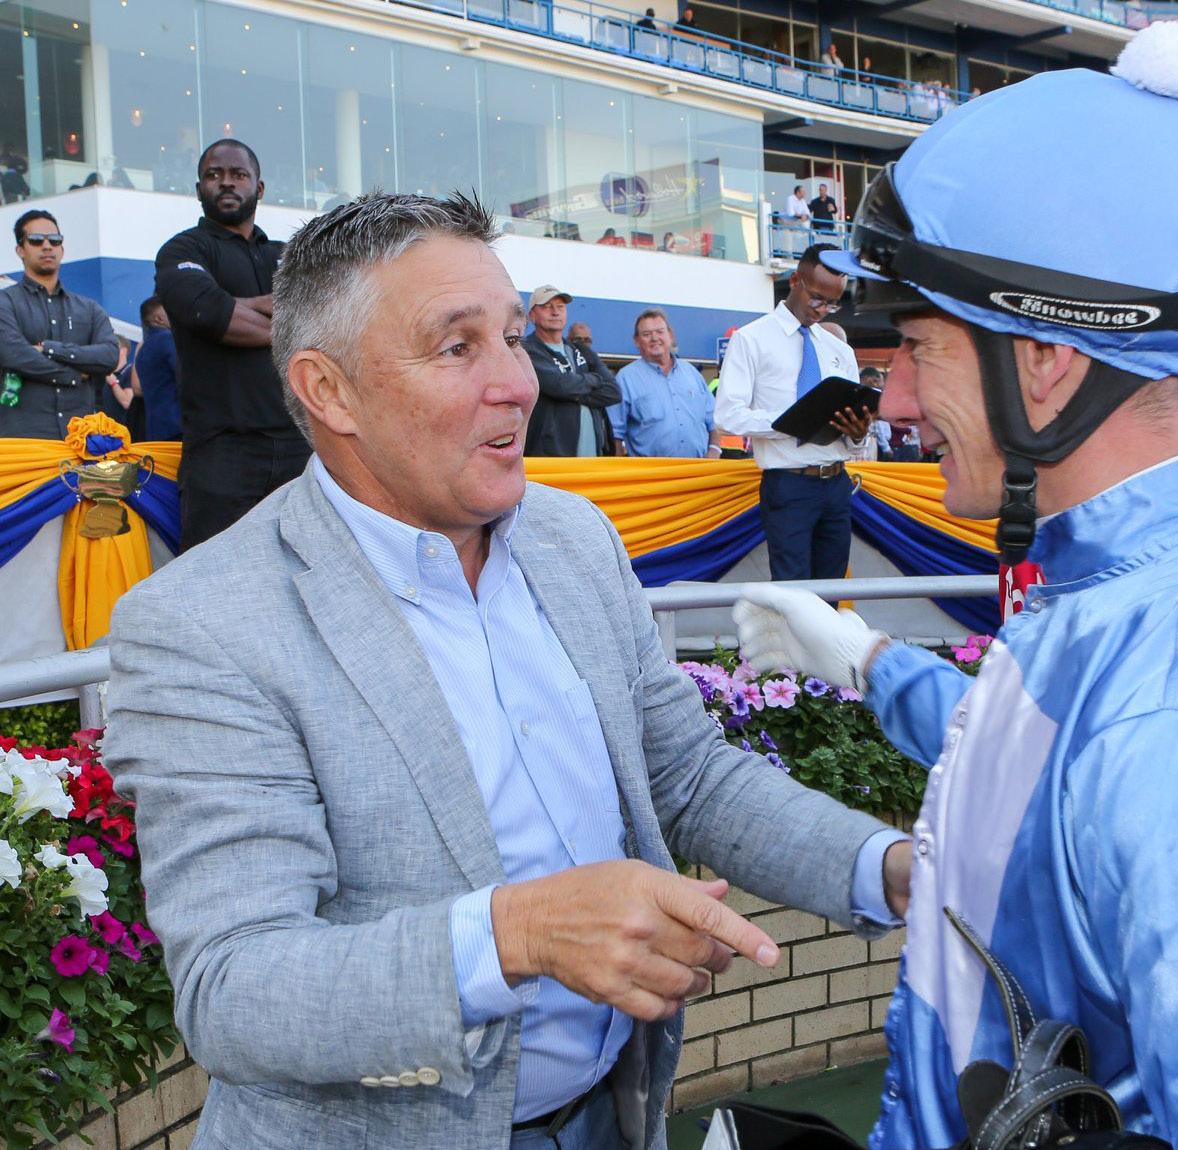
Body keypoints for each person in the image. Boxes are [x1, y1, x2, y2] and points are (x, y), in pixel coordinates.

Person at [108, 191, 912, 1150]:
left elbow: (688, 775)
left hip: (615, 1117)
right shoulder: (206, 624)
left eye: (512, 337)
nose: (517, 385)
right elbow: (236, 989)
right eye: (457, 347)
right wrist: (517, 934)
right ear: (329, 391)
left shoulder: (574, 538)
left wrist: (890, 871)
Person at [733, 26, 1178, 1146]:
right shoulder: (1166, 576)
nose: (895, 402)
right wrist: (865, 660)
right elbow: (1052, 771)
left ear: (1046, 359)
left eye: (920, 350)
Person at [156, 139, 309, 549]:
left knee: (306, 568)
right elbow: (206, 312)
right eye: (214, 175)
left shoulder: (291, 257)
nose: (226, 182)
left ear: (259, 188)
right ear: (199, 189)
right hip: (221, 452)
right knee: (214, 577)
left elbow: (326, 317)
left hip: (300, 447)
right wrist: (288, 319)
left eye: (238, 175)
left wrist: (232, 305)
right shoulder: (182, 249)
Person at [714, 244, 866, 581]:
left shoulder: (838, 349)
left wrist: (858, 434)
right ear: (795, 281)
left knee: (832, 590)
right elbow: (727, 415)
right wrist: (793, 420)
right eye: (817, 298)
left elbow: (852, 426)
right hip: (788, 483)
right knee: (792, 592)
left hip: (837, 481)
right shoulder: (751, 339)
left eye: (832, 303)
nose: (822, 310)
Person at [0, 209, 117, 438]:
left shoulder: (89, 308)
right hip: (24, 440)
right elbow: (14, 354)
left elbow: (109, 355)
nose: (47, 246)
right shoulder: (5, 302)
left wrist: (49, 349)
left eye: (54, 240)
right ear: (20, 250)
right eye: (36, 240)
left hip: (82, 440)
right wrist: (74, 375)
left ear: (62, 249)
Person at [521, 285, 620, 457]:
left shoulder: (582, 350)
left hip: (593, 458)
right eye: (546, 307)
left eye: (560, 307)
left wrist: (571, 394)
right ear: (532, 315)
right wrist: (594, 380)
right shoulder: (526, 350)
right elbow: (559, 385)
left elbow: (613, 392)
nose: (555, 312)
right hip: (551, 460)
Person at [609, 308, 719, 458]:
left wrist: (714, 450)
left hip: (699, 469)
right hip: (652, 472)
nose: (654, 338)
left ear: (671, 335)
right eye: (646, 334)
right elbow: (615, 433)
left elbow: (714, 421)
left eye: (660, 332)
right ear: (637, 341)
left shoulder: (692, 373)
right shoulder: (625, 379)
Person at [134, 296, 182, 441]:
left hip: (155, 429)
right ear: (159, 318)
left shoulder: (143, 349)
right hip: (178, 425)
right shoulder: (168, 339)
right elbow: (186, 376)